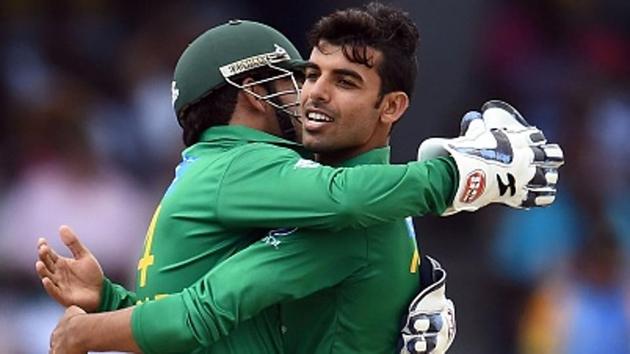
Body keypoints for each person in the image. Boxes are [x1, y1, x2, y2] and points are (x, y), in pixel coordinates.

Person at [38, 5, 562, 354]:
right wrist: (461, 171)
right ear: (250, 91)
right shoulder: (310, 195)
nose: (311, 94)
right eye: (307, 75)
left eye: (345, 81)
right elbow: (209, 318)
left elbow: (202, 315)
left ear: (393, 106)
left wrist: (101, 314)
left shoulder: (335, 212)